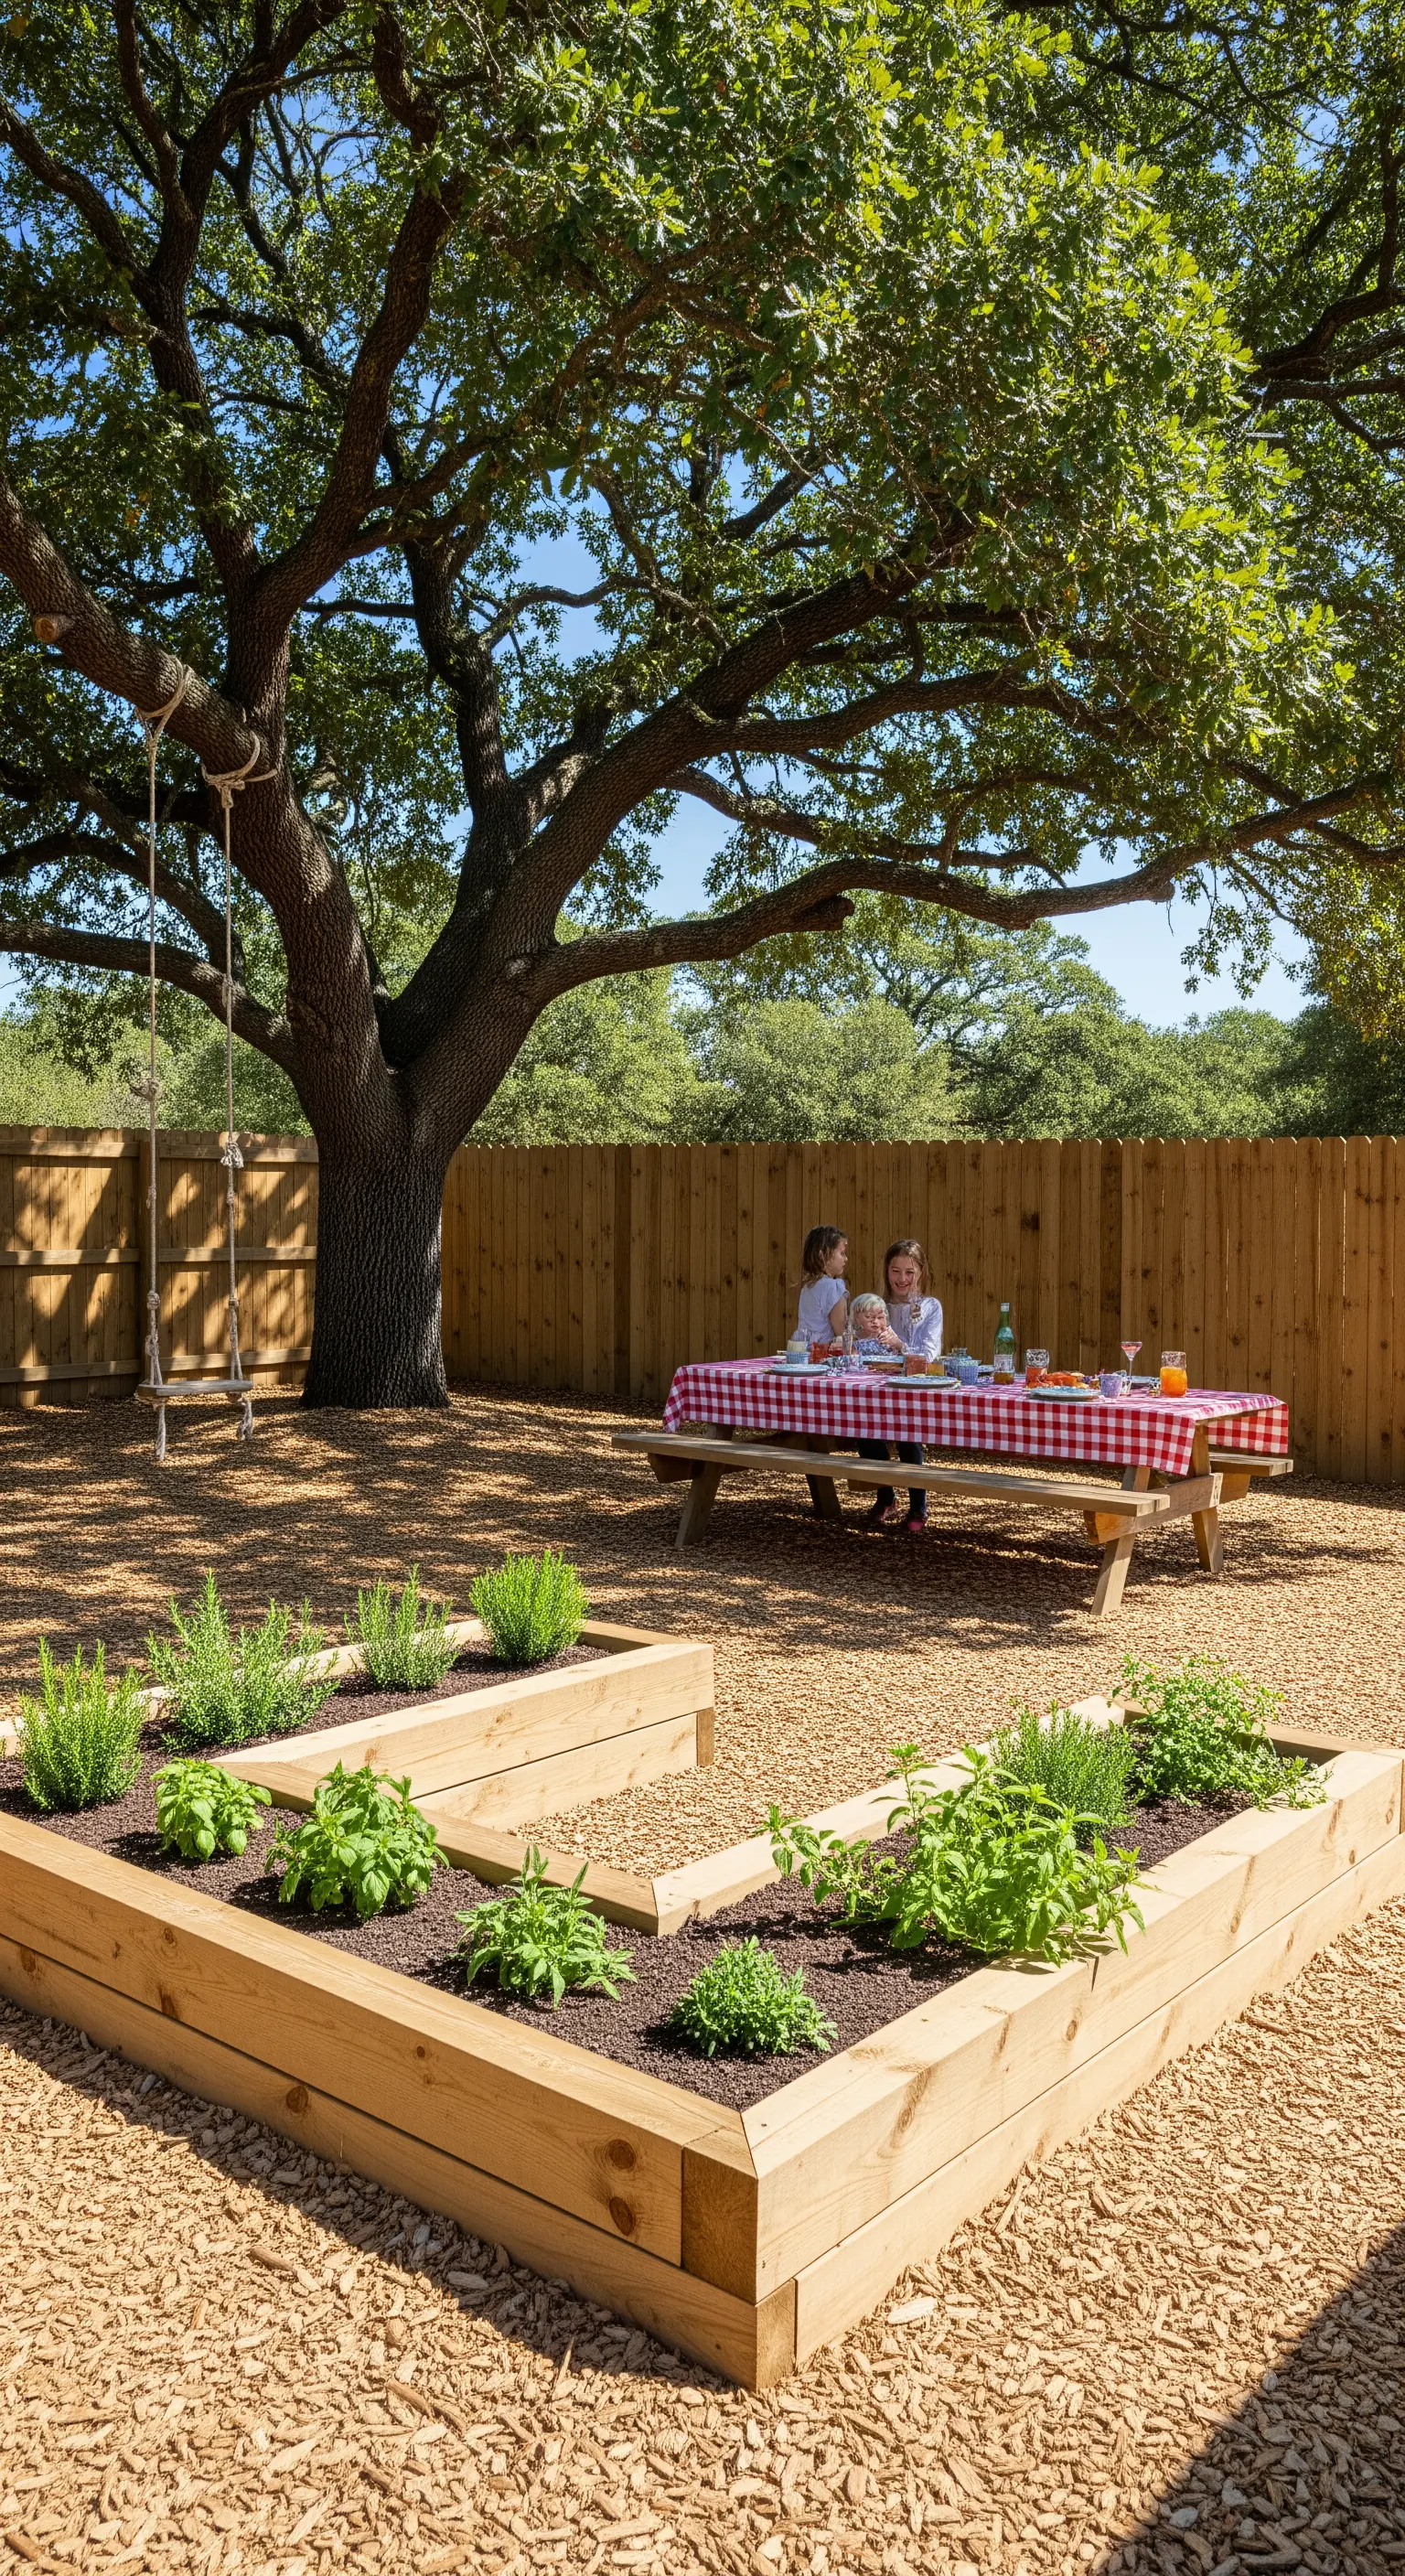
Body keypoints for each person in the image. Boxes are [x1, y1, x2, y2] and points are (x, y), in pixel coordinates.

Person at [848, 1291, 929, 1535]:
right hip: (870, 1406)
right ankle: (886, 1497)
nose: (876, 1322)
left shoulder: (893, 1339)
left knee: (908, 1443)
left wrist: (899, 1345)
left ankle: (918, 1507)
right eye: (869, 1317)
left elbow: (916, 1362)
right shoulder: (854, 1343)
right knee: (868, 1441)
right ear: (856, 1320)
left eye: (880, 1316)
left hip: (900, 1404)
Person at [883, 1238, 943, 1363]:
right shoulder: (879, 1307)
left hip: (919, 1380)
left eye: (909, 1272)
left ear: (920, 1273)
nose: (902, 1278)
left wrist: (900, 1346)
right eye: (896, 1271)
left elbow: (929, 1355)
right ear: (887, 1271)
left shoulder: (930, 1307)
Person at [797, 1224, 850, 1344]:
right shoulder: (833, 1287)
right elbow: (841, 1330)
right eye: (842, 1253)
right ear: (823, 1255)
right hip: (822, 1351)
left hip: (802, 1348)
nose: (845, 1259)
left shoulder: (808, 1286)